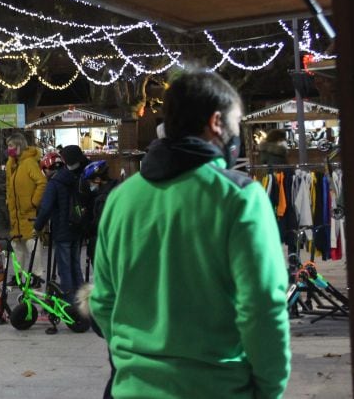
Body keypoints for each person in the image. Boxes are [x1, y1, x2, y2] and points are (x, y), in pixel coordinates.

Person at [88, 70, 290, 398]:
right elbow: (262, 307)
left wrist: (135, 363)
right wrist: (269, 389)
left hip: (133, 389)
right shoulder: (240, 197)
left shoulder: (120, 198)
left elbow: (103, 301)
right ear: (216, 123)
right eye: (236, 124)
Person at [33, 145, 86, 302]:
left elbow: (46, 208)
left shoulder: (54, 183)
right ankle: (82, 299)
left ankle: (69, 303)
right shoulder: (74, 178)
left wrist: (37, 226)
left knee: (64, 268)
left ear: (47, 169)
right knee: (76, 266)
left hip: (62, 231)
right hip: (76, 228)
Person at [4, 132, 44, 282]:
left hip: (27, 211)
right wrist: (8, 199)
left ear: (19, 146)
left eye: (11, 146)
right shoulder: (11, 163)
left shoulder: (29, 163)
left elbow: (41, 182)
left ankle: (37, 275)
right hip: (16, 212)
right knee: (17, 244)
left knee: (32, 243)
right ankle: (17, 275)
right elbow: (9, 184)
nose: (9, 149)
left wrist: (33, 202)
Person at [80, 159, 117, 267]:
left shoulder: (102, 198)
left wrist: (85, 225)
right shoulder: (118, 188)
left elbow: (99, 225)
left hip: (105, 246)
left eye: (90, 181)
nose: (90, 185)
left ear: (97, 179)